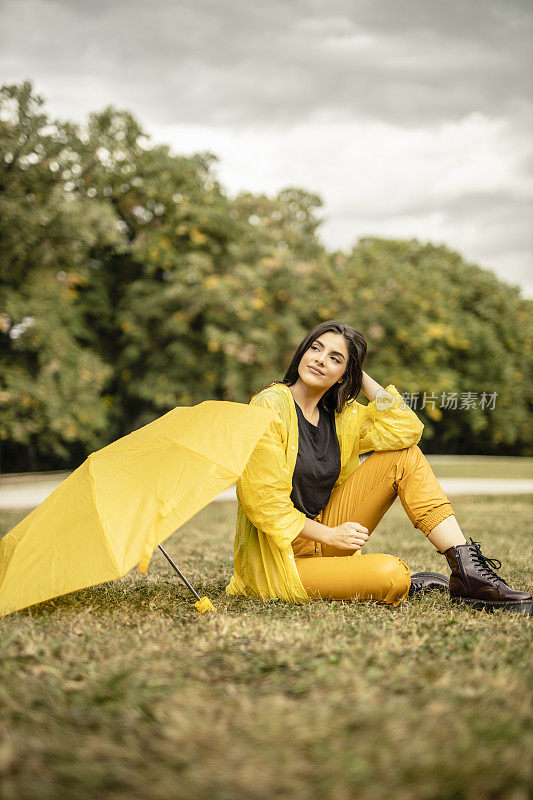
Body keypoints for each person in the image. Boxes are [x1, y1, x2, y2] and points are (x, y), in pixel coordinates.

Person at [225, 320, 531, 615]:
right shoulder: (269, 405)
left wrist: (359, 374)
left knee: (404, 455)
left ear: (346, 374)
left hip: (328, 532)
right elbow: (264, 505)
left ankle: (467, 572)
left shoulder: (341, 415)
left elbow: (406, 429)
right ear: (302, 351)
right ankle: (380, 579)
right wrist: (330, 536)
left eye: (335, 358)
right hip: (281, 559)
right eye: (315, 349)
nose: (320, 360)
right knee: (393, 577)